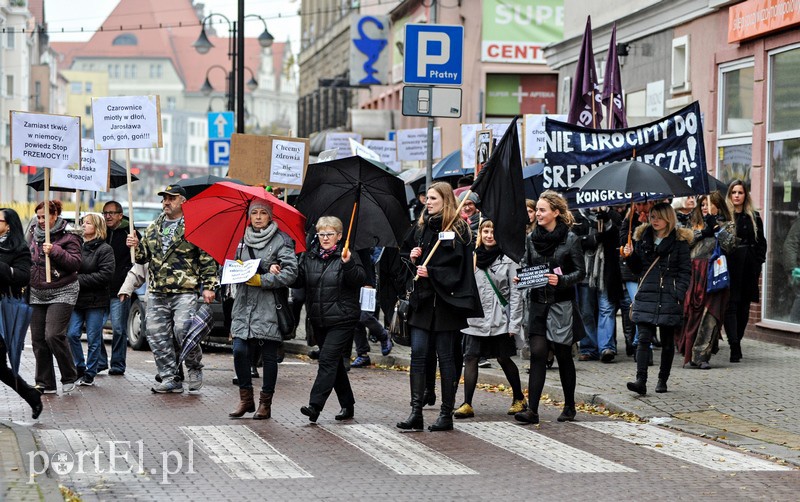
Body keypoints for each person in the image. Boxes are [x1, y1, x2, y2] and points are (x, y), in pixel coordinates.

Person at [397, 182, 482, 432]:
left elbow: (459, 268)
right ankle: (416, 411)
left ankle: (446, 414)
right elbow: (406, 260)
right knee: (418, 356)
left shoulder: (459, 229)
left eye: (433, 198)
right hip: (422, 304)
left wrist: (431, 272)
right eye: (428, 198)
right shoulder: (422, 226)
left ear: (445, 200)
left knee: (446, 358)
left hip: (446, 304)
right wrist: (412, 258)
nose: (428, 202)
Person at [127, 184, 219, 393]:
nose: (166, 202)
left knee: (183, 330)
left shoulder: (194, 226)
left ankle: (194, 366)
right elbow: (143, 257)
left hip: (184, 290)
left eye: (172, 198)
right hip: (158, 291)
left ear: (183, 201)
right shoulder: (154, 227)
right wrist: (135, 245)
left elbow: (207, 259)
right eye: (164, 198)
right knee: (155, 333)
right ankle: (170, 376)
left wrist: (209, 286)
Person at [515, 191, 585, 424]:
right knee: (537, 353)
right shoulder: (530, 238)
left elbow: (580, 272)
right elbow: (526, 264)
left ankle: (569, 406)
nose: (538, 214)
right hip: (537, 303)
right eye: (537, 210)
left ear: (556, 212)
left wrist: (562, 279)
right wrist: (521, 277)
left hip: (560, 304)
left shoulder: (571, 239)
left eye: (543, 210)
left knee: (564, 354)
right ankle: (532, 410)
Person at [228, 201, 298, 419]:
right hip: (242, 305)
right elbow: (229, 266)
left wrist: (263, 277)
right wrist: (232, 270)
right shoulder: (240, 239)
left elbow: (291, 273)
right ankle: (246, 399)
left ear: (270, 216)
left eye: (263, 213)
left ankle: (265, 403)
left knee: (268, 356)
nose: (258, 217)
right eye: (254, 213)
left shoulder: (281, 240)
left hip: (268, 307)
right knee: (239, 350)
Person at [296, 216, 366, 422]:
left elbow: (359, 280)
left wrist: (348, 264)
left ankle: (314, 406)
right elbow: (299, 281)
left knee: (326, 360)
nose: (325, 238)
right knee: (333, 364)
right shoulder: (310, 256)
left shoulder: (347, 254)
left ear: (339, 235)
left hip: (343, 318)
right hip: (319, 318)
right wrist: (283, 267)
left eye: (330, 234)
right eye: (321, 234)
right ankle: (348, 404)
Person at [455, 220, 525, 419]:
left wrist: (515, 323)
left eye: (493, 231)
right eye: (485, 231)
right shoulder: (473, 258)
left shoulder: (510, 259)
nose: (489, 235)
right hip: (475, 318)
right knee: (471, 357)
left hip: (499, 319)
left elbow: (515, 294)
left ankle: (519, 398)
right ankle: (467, 403)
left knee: (503, 358)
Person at [623, 202, 692, 395]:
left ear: (668, 218)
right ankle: (641, 380)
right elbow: (637, 270)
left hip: (669, 295)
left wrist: (678, 293)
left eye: (659, 217)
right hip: (647, 293)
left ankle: (663, 379)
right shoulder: (643, 238)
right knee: (644, 338)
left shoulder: (679, 242)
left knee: (667, 340)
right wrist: (629, 257)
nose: (655, 221)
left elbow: (685, 271)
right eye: (652, 217)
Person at [28, 200, 82, 394]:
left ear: (56, 214)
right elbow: (27, 257)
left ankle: (69, 375)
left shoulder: (70, 235)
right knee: (38, 339)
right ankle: (45, 383)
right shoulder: (33, 233)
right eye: (39, 217)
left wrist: (56, 251)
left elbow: (76, 263)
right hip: (37, 291)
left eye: (45, 216)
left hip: (62, 290)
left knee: (53, 335)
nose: (41, 221)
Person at [677, 193, 736, 369]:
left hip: (715, 273)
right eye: (702, 204)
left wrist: (717, 228)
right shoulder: (692, 223)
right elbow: (683, 242)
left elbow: (730, 245)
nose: (704, 207)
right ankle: (688, 353)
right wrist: (702, 233)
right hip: (695, 273)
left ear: (717, 206)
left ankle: (701, 356)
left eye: (708, 204)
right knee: (692, 313)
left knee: (710, 315)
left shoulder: (728, 224)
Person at [0, 208, 42, 418]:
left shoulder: (19, 249)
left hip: (4, 312)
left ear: (8, 225)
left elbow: (22, 277)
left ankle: (31, 396)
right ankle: (31, 396)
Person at [66, 214, 115, 386]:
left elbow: (105, 275)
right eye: (83, 222)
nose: (84, 225)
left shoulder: (105, 249)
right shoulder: (76, 246)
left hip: (96, 300)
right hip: (76, 299)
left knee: (94, 338)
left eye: (88, 223)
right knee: (72, 334)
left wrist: (77, 279)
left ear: (97, 227)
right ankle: (79, 366)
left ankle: (90, 372)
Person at [724, 180, 766, 362]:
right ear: (729, 195)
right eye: (733, 192)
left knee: (744, 307)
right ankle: (734, 345)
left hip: (748, 266)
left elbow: (761, 242)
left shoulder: (753, 216)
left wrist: (758, 262)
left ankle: (738, 339)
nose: (737, 196)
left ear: (745, 195)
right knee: (730, 306)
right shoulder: (725, 216)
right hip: (730, 264)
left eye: (740, 192)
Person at [99, 201, 140, 375]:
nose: (107, 216)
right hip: (100, 289)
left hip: (120, 288)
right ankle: (100, 361)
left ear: (120, 215)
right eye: (105, 213)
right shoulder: (100, 232)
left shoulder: (130, 233)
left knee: (118, 328)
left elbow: (141, 258)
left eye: (111, 213)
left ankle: (117, 364)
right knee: (95, 329)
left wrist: (136, 245)